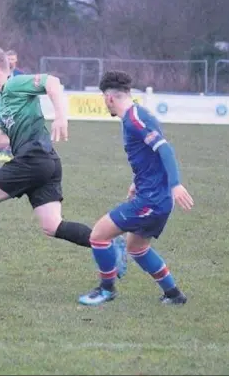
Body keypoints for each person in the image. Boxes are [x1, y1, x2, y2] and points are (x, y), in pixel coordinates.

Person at [0, 48, 127, 279]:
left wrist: (61, 116)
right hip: (47, 162)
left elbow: (51, 82)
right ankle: (109, 244)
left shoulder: (15, 84)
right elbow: (5, 135)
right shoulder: (3, 97)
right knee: (53, 226)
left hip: (33, 158)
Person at [78, 70, 193, 307]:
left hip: (152, 201)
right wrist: (137, 181)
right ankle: (174, 294)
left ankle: (106, 289)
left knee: (98, 236)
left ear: (109, 98)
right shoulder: (136, 115)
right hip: (151, 195)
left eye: (103, 98)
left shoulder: (135, 120)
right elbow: (149, 155)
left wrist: (176, 184)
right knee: (136, 247)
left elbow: (165, 149)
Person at [0, 50, 24, 163]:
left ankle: (13, 152)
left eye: (12, 59)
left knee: (16, 132)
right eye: (8, 59)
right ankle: (3, 152)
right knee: (2, 131)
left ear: (16, 60)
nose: (10, 61)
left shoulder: (21, 75)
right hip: (3, 106)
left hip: (17, 108)